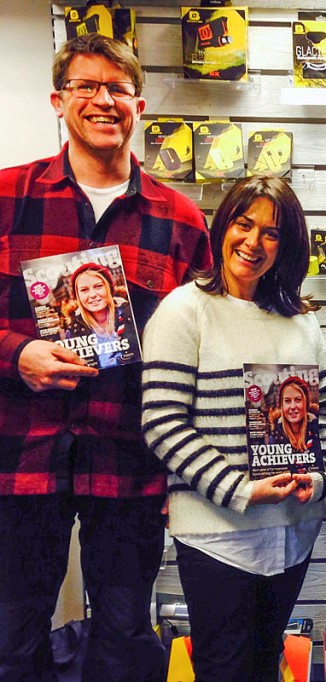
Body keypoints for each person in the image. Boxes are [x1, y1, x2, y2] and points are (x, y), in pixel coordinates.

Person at [0, 34, 211, 680]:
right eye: (86, 86)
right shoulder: (8, 196)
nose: (102, 100)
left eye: (116, 88)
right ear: (58, 101)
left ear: (138, 104)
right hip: (19, 459)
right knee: (11, 642)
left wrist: (188, 470)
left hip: (129, 463)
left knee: (124, 641)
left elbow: (204, 351)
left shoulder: (179, 219)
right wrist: (17, 355)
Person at [141, 176, 326, 681]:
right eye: (243, 224)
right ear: (222, 226)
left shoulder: (300, 321)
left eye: (271, 233)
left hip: (293, 535)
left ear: (288, 244)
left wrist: (322, 480)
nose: (253, 243)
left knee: (264, 664)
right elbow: (162, 423)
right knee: (223, 668)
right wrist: (241, 490)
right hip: (217, 536)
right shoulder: (184, 310)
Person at [64, 262, 137, 368]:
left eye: (98, 286)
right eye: (84, 290)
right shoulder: (72, 332)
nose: (93, 295)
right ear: (78, 297)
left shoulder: (130, 313)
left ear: (109, 289)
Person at [270, 375, 320, 455]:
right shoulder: (275, 436)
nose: (293, 406)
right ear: (282, 405)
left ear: (305, 403)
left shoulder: (319, 429)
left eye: (298, 400)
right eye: (287, 401)